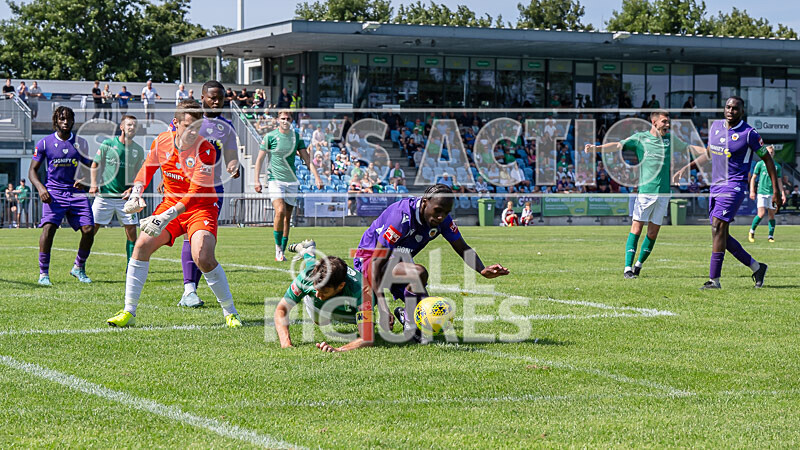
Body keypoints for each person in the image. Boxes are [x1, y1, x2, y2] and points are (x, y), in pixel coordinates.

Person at [107, 100, 242, 328]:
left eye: (197, 127)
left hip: (200, 208)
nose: (193, 132)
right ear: (175, 123)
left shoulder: (206, 150)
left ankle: (231, 313)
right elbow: (146, 170)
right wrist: (136, 193)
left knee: (203, 256)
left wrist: (164, 217)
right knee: (141, 246)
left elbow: (195, 194)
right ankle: (128, 311)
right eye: (188, 126)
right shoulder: (162, 141)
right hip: (170, 204)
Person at [353, 184, 509, 344]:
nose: (441, 217)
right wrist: (383, 308)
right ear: (425, 202)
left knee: (429, 311)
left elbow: (462, 247)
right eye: (438, 211)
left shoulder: (443, 220)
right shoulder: (401, 217)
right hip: (369, 258)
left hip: (396, 260)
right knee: (418, 273)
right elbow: (376, 264)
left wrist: (482, 269)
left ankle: (407, 319)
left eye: (446, 213)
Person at [674, 96, 781, 289]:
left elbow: (768, 160)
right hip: (715, 186)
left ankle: (714, 280)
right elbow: (708, 154)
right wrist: (687, 168)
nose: (730, 111)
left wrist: (776, 190)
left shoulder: (749, 134)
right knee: (720, 233)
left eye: (735, 108)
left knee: (717, 228)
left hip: (734, 185)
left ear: (742, 111)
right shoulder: (715, 127)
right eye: (728, 107)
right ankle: (757, 267)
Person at [587, 110, 701, 279]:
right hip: (646, 192)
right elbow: (618, 145)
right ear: (654, 123)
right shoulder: (640, 138)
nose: (667, 124)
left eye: (668, 122)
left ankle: (638, 265)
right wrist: (597, 148)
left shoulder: (670, 140)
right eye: (664, 121)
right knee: (637, 228)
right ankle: (627, 268)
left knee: (653, 233)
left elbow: (689, 148)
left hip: (663, 194)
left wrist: (710, 151)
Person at [175, 80, 241, 308]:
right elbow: (173, 149)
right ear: (202, 97)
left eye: (220, 98)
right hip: (188, 186)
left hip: (213, 190)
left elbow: (231, 156)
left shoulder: (227, 127)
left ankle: (190, 292)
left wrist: (233, 166)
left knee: (202, 240)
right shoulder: (190, 120)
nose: (216, 102)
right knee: (189, 235)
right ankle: (189, 290)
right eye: (212, 97)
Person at [29, 106, 95, 286]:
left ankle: (78, 268)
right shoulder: (44, 143)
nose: (66, 122)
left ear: (73, 121)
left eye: (69, 119)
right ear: (56, 121)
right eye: (62, 119)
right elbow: (32, 171)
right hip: (54, 193)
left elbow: (90, 167)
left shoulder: (81, 143)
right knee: (49, 229)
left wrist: (85, 180)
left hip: (76, 193)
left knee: (89, 230)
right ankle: (43, 274)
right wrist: (41, 189)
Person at [274, 240, 374, 352]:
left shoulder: (361, 290)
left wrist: (339, 349)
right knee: (321, 322)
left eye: (324, 292)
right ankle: (307, 253)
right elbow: (281, 309)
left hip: (351, 312)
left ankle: (307, 252)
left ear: (341, 286)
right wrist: (286, 344)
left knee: (366, 325)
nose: (317, 295)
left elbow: (367, 338)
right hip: (318, 305)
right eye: (316, 289)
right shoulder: (306, 277)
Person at [254, 109, 322, 261]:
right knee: (280, 210)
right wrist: (256, 180)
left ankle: (282, 251)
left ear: (292, 121)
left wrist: (317, 177)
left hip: (291, 181)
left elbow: (307, 159)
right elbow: (259, 160)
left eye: (288, 118)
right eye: (283, 118)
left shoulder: (296, 137)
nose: (285, 121)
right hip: (275, 179)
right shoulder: (270, 137)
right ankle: (278, 248)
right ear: (278, 120)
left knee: (287, 217)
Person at [89, 115, 144, 264]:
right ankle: (79, 264)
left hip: (125, 199)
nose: (132, 128)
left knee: (132, 231)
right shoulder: (108, 144)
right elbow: (95, 165)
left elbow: (140, 176)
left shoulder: (138, 150)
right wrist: (93, 184)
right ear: (121, 127)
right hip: (104, 197)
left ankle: (131, 266)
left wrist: (132, 189)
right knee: (90, 230)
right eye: (129, 125)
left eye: (134, 125)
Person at [748, 145, 787, 243]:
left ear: (773, 154)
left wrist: (782, 194)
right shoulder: (760, 164)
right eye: (768, 153)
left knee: (772, 215)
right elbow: (753, 178)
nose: (770, 154)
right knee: (761, 214)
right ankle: (751, 232)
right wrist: (752, 190)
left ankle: (770, 236)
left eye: (771, 153)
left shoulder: (777, 166)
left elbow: (779, 181)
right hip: (761, 192)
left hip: (773, 194)